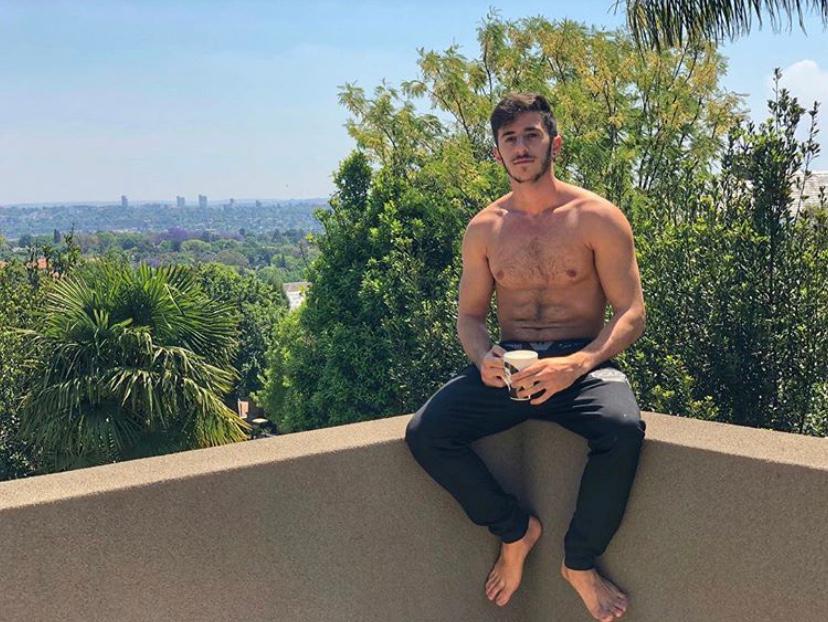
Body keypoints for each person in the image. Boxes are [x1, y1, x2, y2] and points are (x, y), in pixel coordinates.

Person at [404, 92, 647, 622]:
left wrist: (576, 365)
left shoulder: (597, 218)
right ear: (497, 152)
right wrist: (481, 359)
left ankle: (578, 563)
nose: (521, 147)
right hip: (512, 367)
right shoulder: (485, 229)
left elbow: (632, 313)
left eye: (531, 135)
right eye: (509, 138)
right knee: (426, 434)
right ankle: (515, 531)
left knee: (622, 430)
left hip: (581, 365)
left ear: (554, 143)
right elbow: (470, 317)